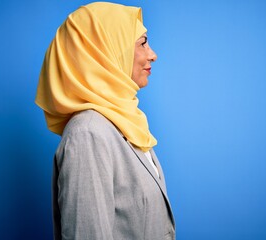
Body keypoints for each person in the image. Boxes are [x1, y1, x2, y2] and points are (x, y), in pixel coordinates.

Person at [35, 2, 175, 239]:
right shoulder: (88, 134)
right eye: (142, 43)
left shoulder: (128, 122)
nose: (153, 54)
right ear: (105, 51)